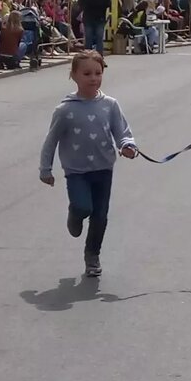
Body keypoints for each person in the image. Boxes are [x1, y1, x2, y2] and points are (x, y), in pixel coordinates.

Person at [39, 50, 138, 277]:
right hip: (77, 171)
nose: (93, 78)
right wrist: (45, 169)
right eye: (86, 74)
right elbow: (51, 140)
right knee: (84, 207)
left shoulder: (110, 105)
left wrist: (127, 146)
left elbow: (122, 131)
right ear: (73, 75)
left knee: (100, 216)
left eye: (98, 73)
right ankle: (74, 215)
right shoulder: (65, 110)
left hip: (104, 169)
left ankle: (92, 256)